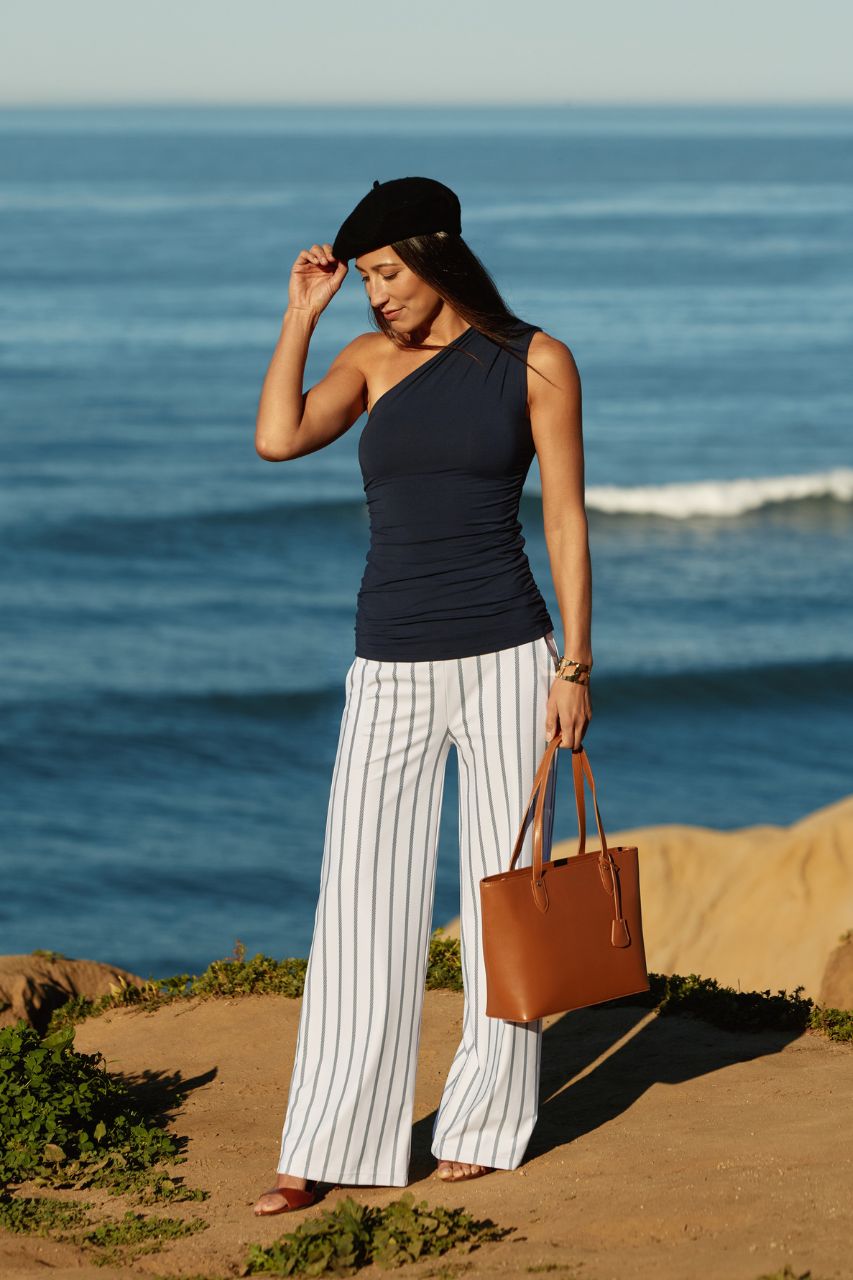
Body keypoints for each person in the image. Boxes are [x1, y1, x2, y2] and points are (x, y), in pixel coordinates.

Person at [251, 177, 592, 1216]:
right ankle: (328, 1139)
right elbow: (277, 437)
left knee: (501, 895)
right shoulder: (364, 361)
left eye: (386, 275)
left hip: (508, 657)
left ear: (438, 257)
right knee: (360, 902)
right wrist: (299, 319)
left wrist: (575, 665)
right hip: (390, 658)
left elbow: (569, 520)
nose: (375, 297)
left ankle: (485, 1122)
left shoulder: (534, 359)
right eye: (363, 280)